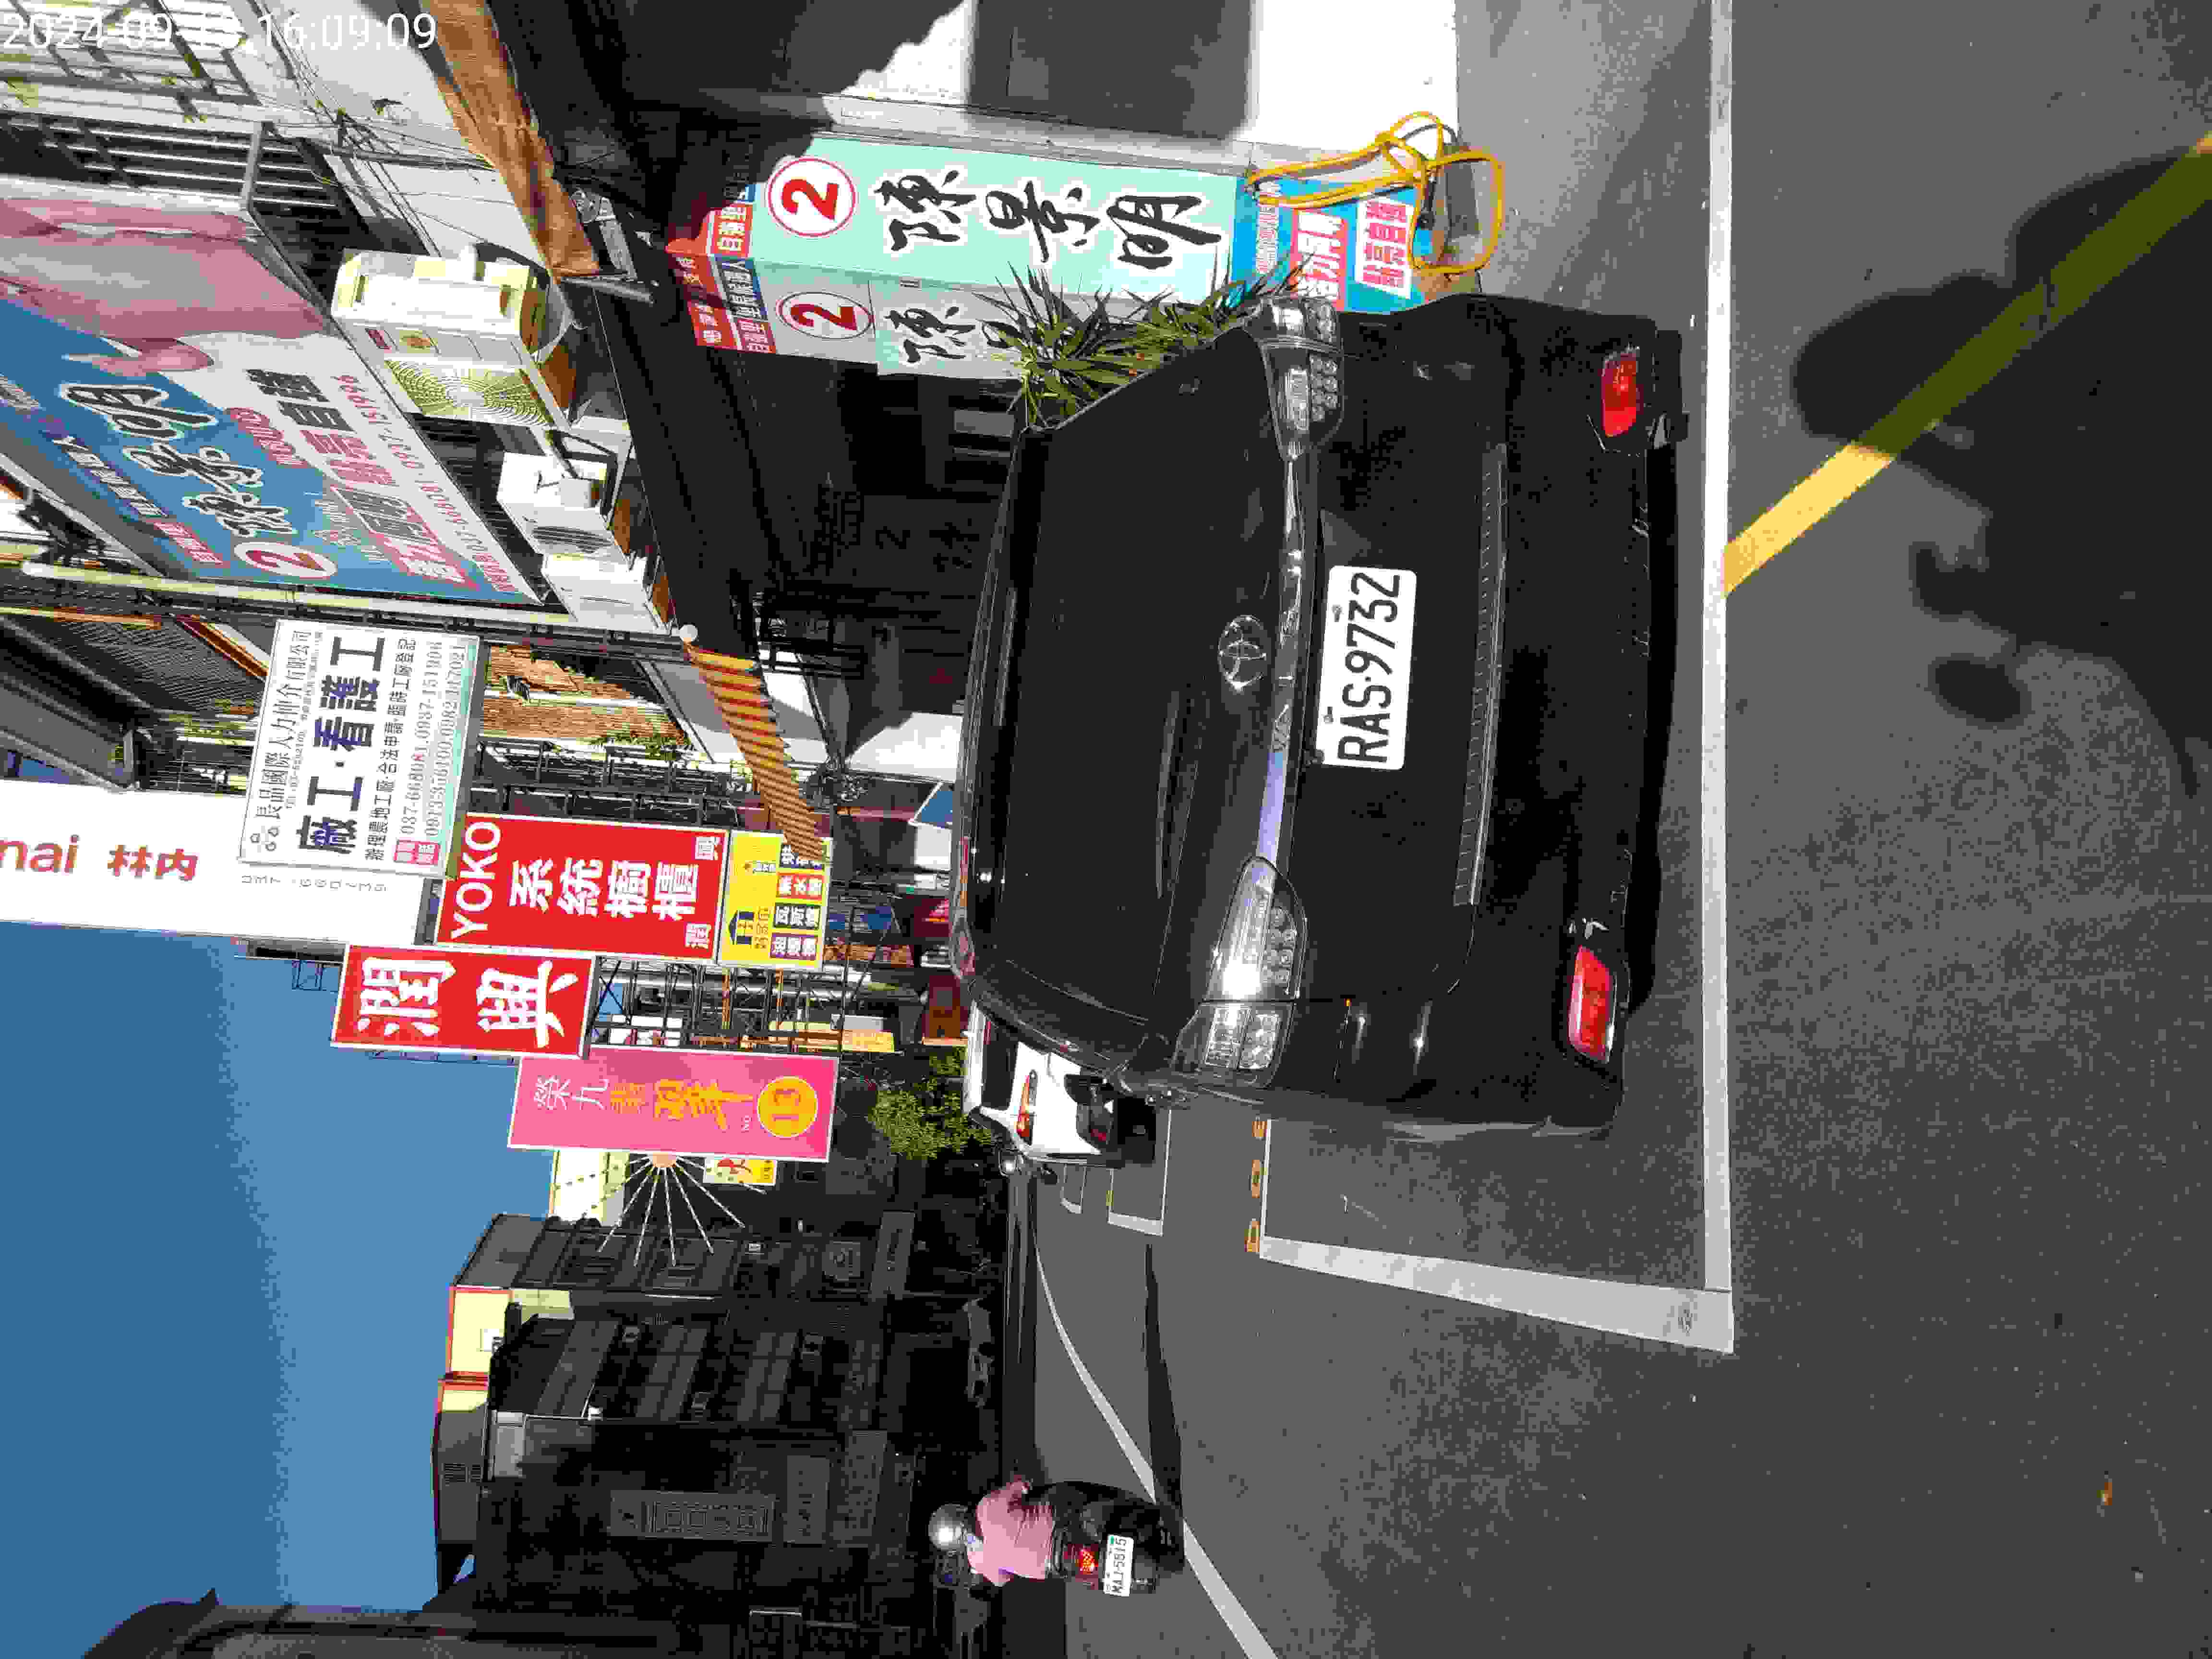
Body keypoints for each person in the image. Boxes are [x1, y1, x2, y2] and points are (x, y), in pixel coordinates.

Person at [927, 1477, 1058, 1586]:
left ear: (953, 1548)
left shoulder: (976, 1561)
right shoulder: (985, 1505)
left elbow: (1002, 1580)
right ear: (958, 1509)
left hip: (1051, 1563)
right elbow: (1023, 1486)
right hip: (1055, 1520)